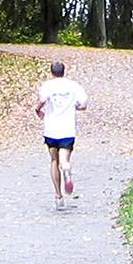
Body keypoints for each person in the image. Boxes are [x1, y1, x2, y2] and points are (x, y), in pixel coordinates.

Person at [34, 61, 88, 209]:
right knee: (64, 159)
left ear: (52, 72)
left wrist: (38, 110)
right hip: (67, 129)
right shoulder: (74, 86)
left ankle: (58, 196)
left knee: (53, 161)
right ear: (64, 71)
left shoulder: (48, 86)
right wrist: (74, 106)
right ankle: (67, 168)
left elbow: (42, 101)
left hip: (51, 129)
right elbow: (83, 104)